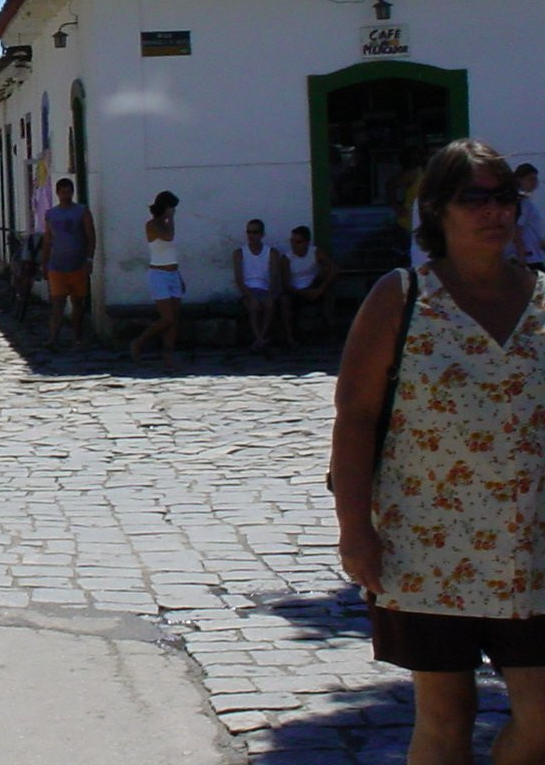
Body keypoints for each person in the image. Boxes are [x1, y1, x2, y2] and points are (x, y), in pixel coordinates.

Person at [333, 138, 545, 763]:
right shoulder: (402, 298)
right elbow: (356, 419)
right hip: (428, 545)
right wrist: (355, 531)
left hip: (532, 546)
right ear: (436, 209)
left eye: (504, 197)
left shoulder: (541, 298)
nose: (494, 211)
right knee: (447, 717)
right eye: (474, 198)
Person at [40, 176, 96, 350]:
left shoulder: (82, 211)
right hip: (56, 265)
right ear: (57, 193)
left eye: (68, 192)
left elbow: (90, 237)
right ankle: (53, 338)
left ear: (72, 192)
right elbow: (48, 239)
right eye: (62, 192)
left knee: (78, 303)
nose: (65, 196)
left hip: (78, 264)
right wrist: (44, 262)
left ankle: (77, 338)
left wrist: (89, 259)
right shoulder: (51, 214)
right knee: (57, 303)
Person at [130, 191, 182, 367]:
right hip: (159, 275)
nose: (173, 211)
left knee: (175, 318)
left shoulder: (167, 225)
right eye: (171, 208)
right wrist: (171, 219)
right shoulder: (152, 225)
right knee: (167, 318)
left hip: (173, 273)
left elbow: (172, 252)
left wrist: (179, 276)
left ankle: (168, 354)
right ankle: (139, 342)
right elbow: (167, 236)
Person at [277, 225, 339, 345]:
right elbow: (286, 284)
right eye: (292, 241)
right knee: (284, 300)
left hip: (314, 286)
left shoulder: (314, 252)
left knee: (327, 288)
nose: (294, 245)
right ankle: (290, 337)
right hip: (296, 291)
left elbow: (334, 268)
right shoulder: (287, 258)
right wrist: (304, 292)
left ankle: (332, 330)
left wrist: (320, 289)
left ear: (306, 242)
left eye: (298, 242)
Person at [233, 218, 281, 352]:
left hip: (265, 289)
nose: (251, 235)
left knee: (269, 305)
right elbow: (239, 280)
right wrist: (250, 295)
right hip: (248, 290)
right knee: (254, 305)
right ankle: (260, 339)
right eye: (249, 232)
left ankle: (260, 338)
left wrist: (270, 294)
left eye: (255, 232)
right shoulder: (239, 253)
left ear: (262, 234)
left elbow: (274, 277)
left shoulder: (272, 253)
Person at [513, 163, 545, 272]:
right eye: (531, 179)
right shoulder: (522, 202)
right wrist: (521, 255)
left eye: (535, 179)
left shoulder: (526, 201)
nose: (535, 183)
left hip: (536, 253)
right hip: (529, 257)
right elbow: (516, 229)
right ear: (519, 179)